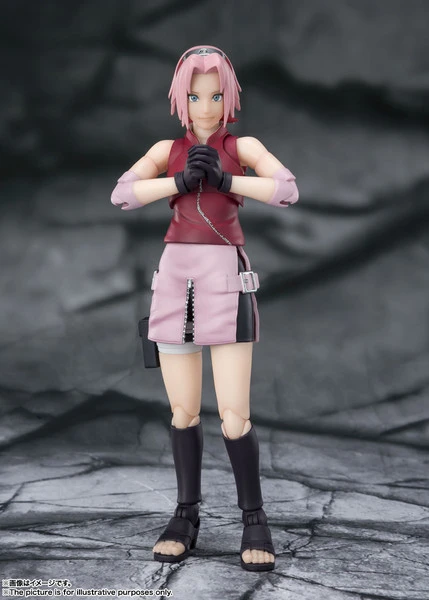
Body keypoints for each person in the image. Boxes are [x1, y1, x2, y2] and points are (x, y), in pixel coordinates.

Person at [111, 45, 299, 572]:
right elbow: (121, 195)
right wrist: (177, 182)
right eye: (196, 96)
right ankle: (185, 514)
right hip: (175, 279)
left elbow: (287, 190)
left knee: (235, 414)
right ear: (181, 99)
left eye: (216, 96)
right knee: (183, 411)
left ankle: (254, 517)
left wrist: (225, 180)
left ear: (229, 97)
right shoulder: (166, 149)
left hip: (225, 280)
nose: (206, 107)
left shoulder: (242, 146)